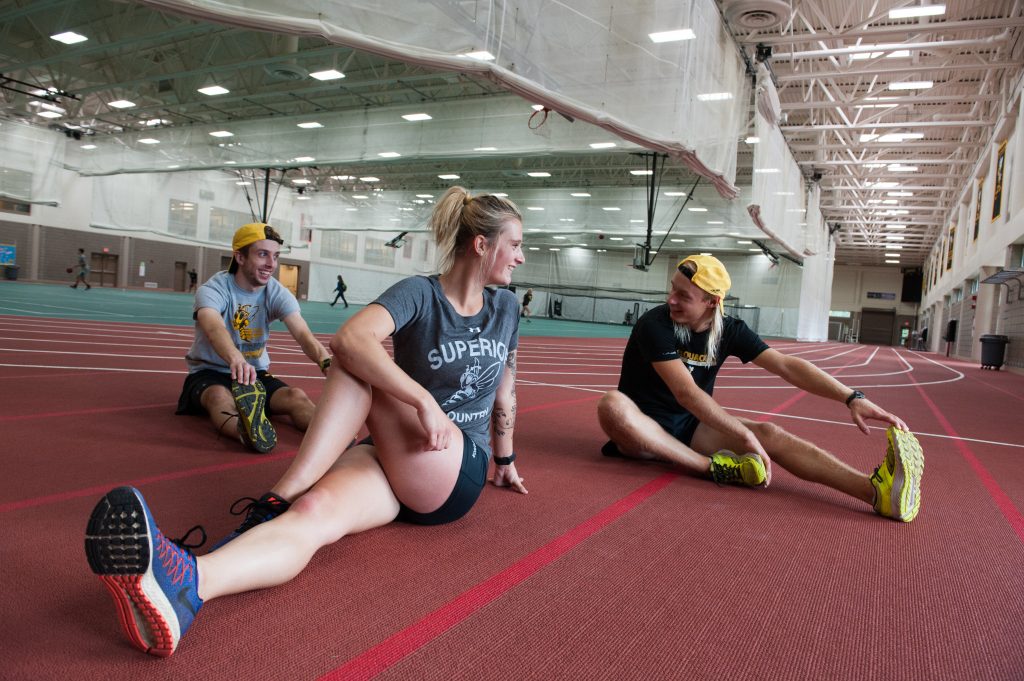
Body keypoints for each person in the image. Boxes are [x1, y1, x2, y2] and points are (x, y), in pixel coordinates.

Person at [84, 187, 529, 657]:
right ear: (481, 244)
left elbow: (506, 388)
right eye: (515, 244)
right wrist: (423, 400)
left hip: (454, 466)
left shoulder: (505, 308)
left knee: (356, 365)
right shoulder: (419, 294)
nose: (520, 257)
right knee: (313, 515)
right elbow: (351, 338)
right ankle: (192, 586)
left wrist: (505, 458)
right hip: (392, 457)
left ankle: (280, 492)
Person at [597, 254, 924, 522]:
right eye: (672, 289)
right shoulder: (654, 325)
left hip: (688, 427)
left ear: (712, 302)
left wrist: (851, 396)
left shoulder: (729, 331)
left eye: (684, 295)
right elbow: (686, 393)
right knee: (612, 405)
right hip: (640, 427)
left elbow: (785, 364)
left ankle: (876, 492)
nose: (671, 300)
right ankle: (713, 468)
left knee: (771, 433)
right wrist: (742, 436)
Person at [174, 223, 330, 453]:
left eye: (275, 256)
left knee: (296, 396)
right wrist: (235, 359)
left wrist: (325, 361)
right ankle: (245, 432)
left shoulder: (276, 292)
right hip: (210, 372)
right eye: (262, 254)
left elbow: (302, 333)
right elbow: (214, 328)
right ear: (240, 257)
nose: (271, 264)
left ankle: (331, 434)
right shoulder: (213, 289)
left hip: (255, 375)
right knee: (219, 397)